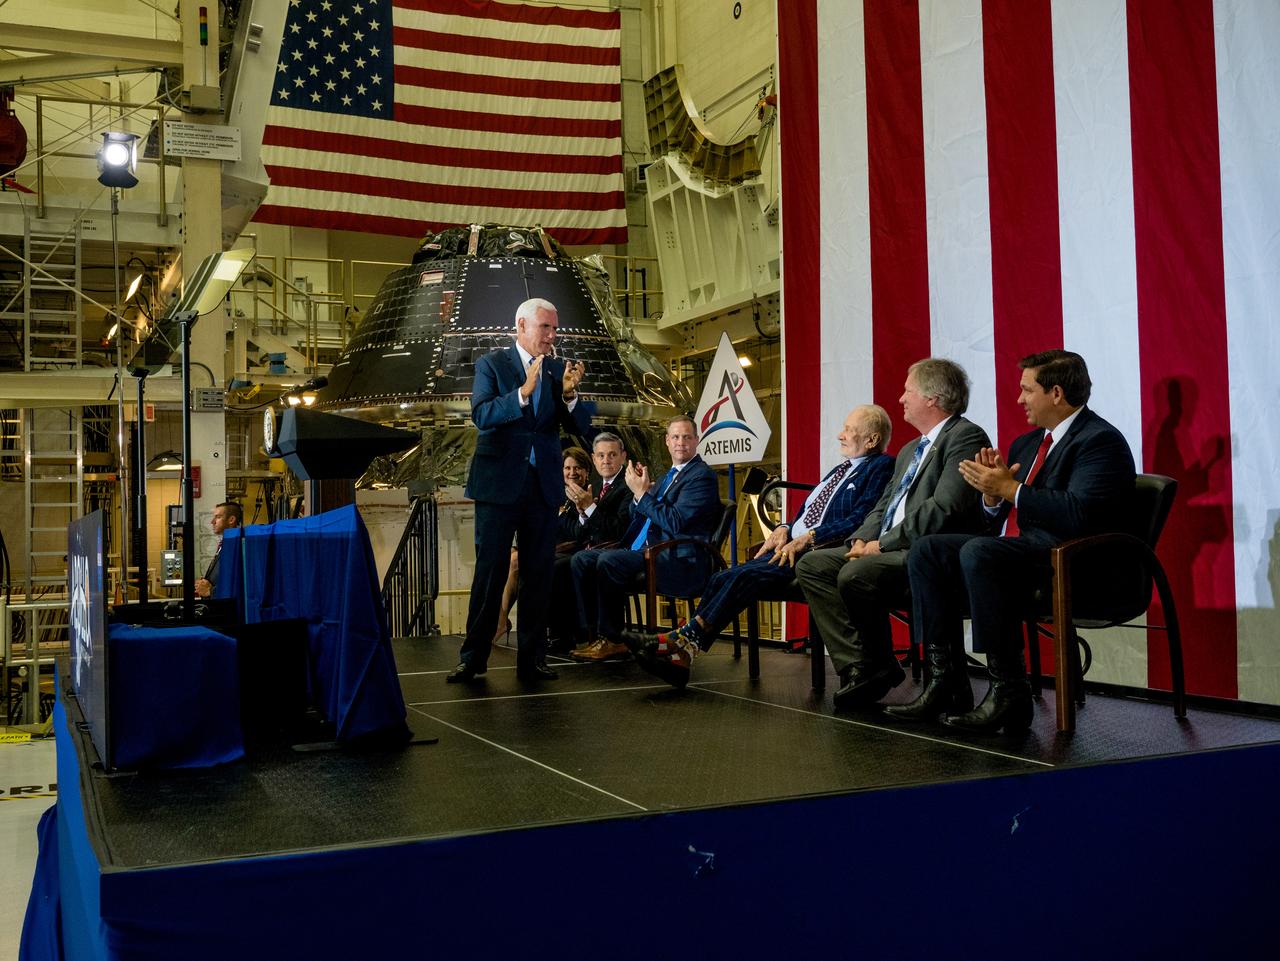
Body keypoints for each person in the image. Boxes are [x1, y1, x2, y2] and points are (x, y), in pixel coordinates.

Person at [891, 350, 1135, 732]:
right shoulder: (1026, 444)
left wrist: (1011, 489)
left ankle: (1009, 691)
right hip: (1033, 553)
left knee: (980, 551)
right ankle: (947, 681)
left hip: (1077, 559)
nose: (1019, 399)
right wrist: (992, 498)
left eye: (1027, 390)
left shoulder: (1099, 441)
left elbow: (1079, 514)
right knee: (929, 549)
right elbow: (995, 521)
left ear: (1056, 393)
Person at [630, 405, 896, 687]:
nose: (840, 435)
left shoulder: (880, 467)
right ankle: (684, 653)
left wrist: (809, 537)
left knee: (745, 575)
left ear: (872, 440)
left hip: (818, 551)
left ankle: (683, 642)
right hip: (791, 544)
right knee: (723, 576)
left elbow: (861, 518)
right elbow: (809, 512)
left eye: (849, 430)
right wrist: (783, 528)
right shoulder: (840, 470)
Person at [794, 359, 990, 710]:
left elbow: (943, 509)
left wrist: (880, 545)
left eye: (908, 391)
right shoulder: (909, 450)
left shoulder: (965, 437)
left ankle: (892, 669)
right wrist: (860, 539)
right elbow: (883, 506)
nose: (901, 399)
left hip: (925, 551)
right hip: (882, 544)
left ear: (932, 398)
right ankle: (866, 666)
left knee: (855, 573)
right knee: (813, 565)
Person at [446, 298, 594, 684]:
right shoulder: (491, 365)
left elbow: (582, 425)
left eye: (555, 328)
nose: (552, 335)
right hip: (498, 487)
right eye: (545, 328)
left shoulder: (560, 369)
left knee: (539, 574)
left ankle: (533, 660)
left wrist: (569, 396)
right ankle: (473, 657)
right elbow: (482, 415)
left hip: (543, 488)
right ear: (522, 327)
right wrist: (522, 394)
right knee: (490, 573)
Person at [570, 415, 720, 662]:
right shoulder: (668, 477)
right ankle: (594, 634)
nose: (680, 442)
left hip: (677, 558)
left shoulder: (701, 476)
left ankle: (615, 639)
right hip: (646, 550)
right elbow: (638, 515)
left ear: (696, 440)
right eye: (675, 437)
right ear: (667, 442)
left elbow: (676, 522)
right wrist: (640, 494)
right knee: (582, 559)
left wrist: (643, 494)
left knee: (609, 560)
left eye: (686, 437)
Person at [491, 446, 596, 647]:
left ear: (586, 471)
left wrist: (565, 513)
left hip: (571, 550)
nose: (572, 473)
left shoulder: (588, 495)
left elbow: (578, 532)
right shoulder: (556, 494)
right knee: (504, 557)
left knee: (515, 561)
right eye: (567, 468)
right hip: (546, 547)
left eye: (578, 468)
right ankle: (503, 620)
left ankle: (502, 622)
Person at [547, 433, 631, 653]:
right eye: (601, 455)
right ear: (594, 459)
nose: (606, 460)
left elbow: (617, 530)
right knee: (544, 562)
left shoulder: (628, 486)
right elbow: (585, 527)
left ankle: (581, 634)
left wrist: (588, 508)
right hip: (588, 548)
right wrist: (584, 510)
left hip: (613, 552)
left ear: (623, 457)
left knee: (561, 566)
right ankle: (557, 632)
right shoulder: (597, 486)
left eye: (612, 455)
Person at [194, 501, 242, 598]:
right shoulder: (225, 544)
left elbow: (239, 582)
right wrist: (206, 582)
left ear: (231, 520)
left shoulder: (238, 546)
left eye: (218, 517)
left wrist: (211, 591)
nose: (212, 522)